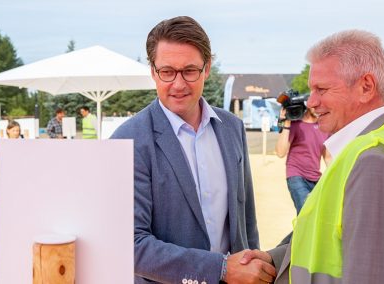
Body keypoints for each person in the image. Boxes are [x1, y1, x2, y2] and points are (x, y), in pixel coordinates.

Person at [111, 16, 276, 284]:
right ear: (153, 71)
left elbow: (246, 222)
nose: (178, 84)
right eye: (167, 71)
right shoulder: (128, 139)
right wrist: (221, 268)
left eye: (189, 70)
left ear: (207, 68)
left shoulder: (232, 128)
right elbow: (131, 244)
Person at [242, 29, 384, 283]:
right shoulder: (358, 149)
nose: (310, 102)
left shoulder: (372, 161)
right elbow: (324, 238)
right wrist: (275, 259)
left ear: (366, 86)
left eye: (321, 89)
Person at [275, 107, 330, 214]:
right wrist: (286, 123)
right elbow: (280, 152)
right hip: (296, 176)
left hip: (316, 178)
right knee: (306, 214)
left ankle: (297, 231)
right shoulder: (296, 124)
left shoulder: (324, 127)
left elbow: (327, 157)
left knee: (315, 216)